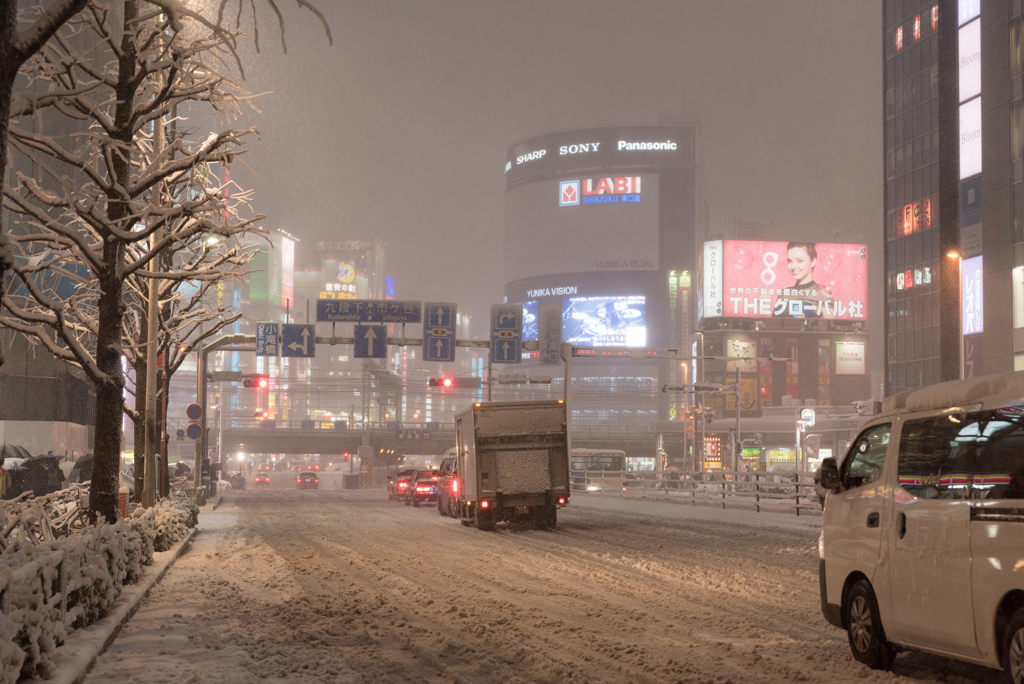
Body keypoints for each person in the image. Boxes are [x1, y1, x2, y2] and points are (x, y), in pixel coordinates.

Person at [773, 242, 834, 318]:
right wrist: (766, 309)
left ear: (812, 262)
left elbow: (830, 326)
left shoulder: (822, 293)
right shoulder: (784, 294)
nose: (793, 266)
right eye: (789, 261)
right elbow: (773, 326)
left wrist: (806, 324)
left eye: (799, 261)